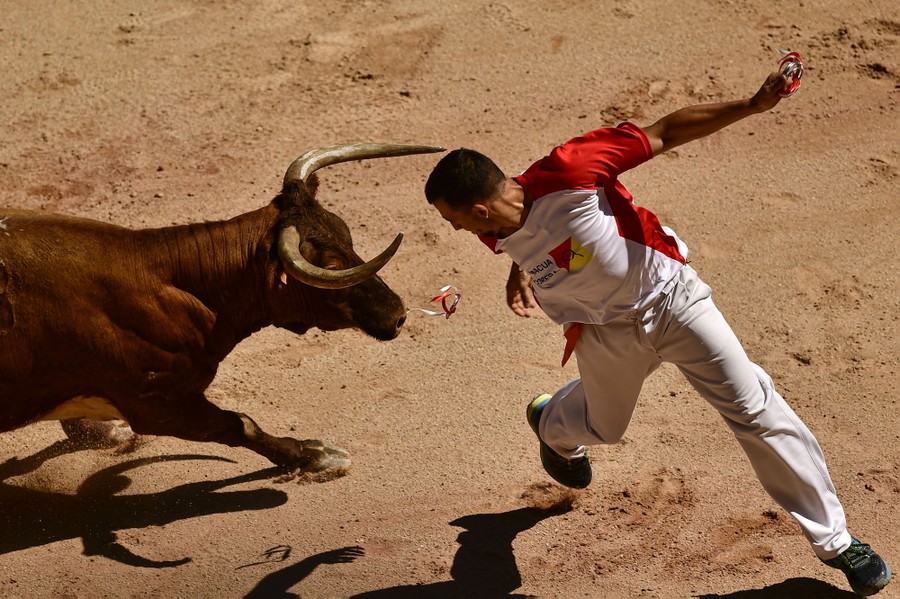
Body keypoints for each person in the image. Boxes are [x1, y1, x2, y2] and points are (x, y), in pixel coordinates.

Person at [423, 68, 891, 596]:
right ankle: (551, 421)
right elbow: (533, 240)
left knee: (755, 410)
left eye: (453, 219)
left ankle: (837, 542)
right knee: (604, 429)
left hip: (674, 301)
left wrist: (753, 105)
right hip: (603, 333)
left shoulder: (570, 170)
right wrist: (521, 269)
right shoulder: (496, 228)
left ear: (480, 208)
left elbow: (666, 132)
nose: (455, 230)